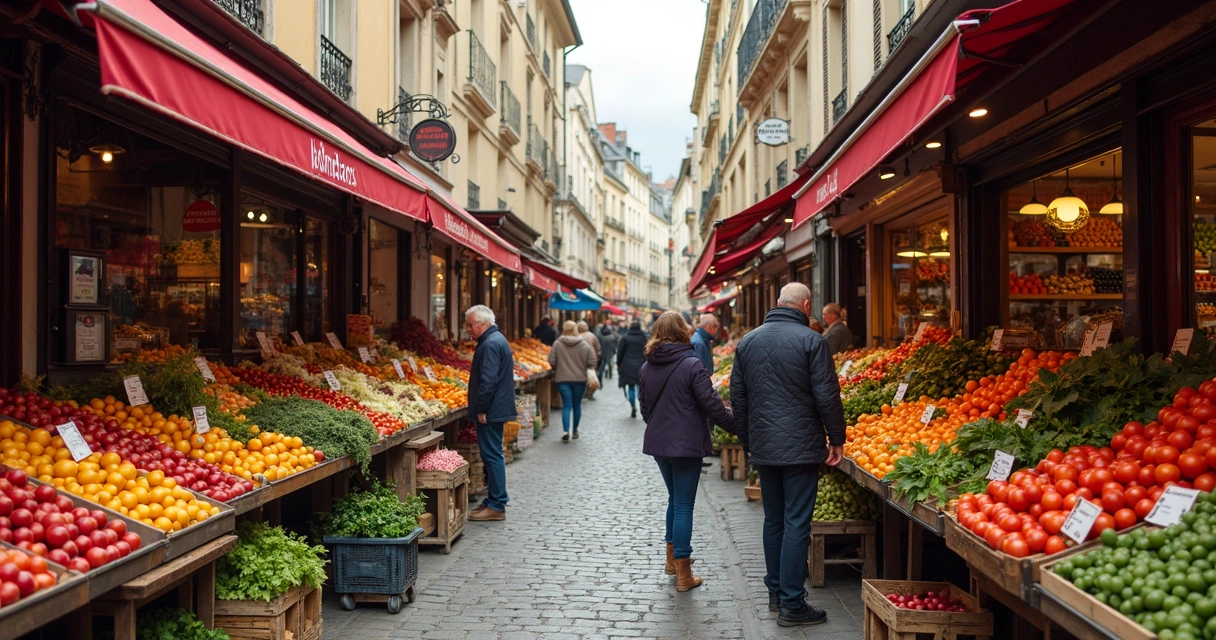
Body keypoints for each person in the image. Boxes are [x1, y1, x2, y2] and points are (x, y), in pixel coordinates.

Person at [730, 283, 846, 626]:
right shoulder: (813, 341)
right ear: (806, 304)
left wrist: (749, 441)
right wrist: (836, 438)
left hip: (765, 446)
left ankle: (776, 594)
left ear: (777, 303)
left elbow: (739, 399)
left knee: (774, 521)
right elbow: (827, 395)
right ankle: (793, 604)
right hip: (801, 447)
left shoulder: (748, 341)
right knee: (796, 522)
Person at [639, 312, 734, 592]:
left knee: (674, 498)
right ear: (684, 331)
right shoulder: (692, 364)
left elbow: (645, 410)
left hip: (660, 444)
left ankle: (671, 561)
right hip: (686, 445)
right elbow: (713, 405)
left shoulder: (647, 366)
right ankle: (683, 572)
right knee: (683, 505)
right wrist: (736, 426)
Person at [465, 305, 517, 522]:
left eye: (469, 324)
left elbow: (488, 381)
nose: (467, 329)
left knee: (492, 454)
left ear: (481, 323)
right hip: (497, 407)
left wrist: (482, 408)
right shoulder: (495, 340)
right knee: (492, 453)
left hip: (492, 409)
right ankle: (493, 500)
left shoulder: (490, 344)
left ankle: (497, 504)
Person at [547, 321, 597, 442]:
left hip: (562, 379)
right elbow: (592, 361)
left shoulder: (558, 343)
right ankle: (575, 430)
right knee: (576, 404)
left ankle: (565, 431)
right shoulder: (584, 344)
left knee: (567, 405)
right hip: (580, 379)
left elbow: (551, 361)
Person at [616, 321, 647, 418]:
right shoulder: (644, 337)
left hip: (628, 364)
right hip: (641, 364)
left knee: (631, 386)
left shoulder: (625, 337)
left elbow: (620, 352)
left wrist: (618, 363)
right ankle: (642, 406)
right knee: (640, 387)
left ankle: (633, 405)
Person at [577, 321, 602, 400]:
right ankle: (590, 393)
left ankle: (582, 392)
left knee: (581, 376)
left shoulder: (576, 336)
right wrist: (597, 355)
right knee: (591, 375)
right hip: (592, 358)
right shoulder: (591, 335)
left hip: (580, 359)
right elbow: (598, 346)